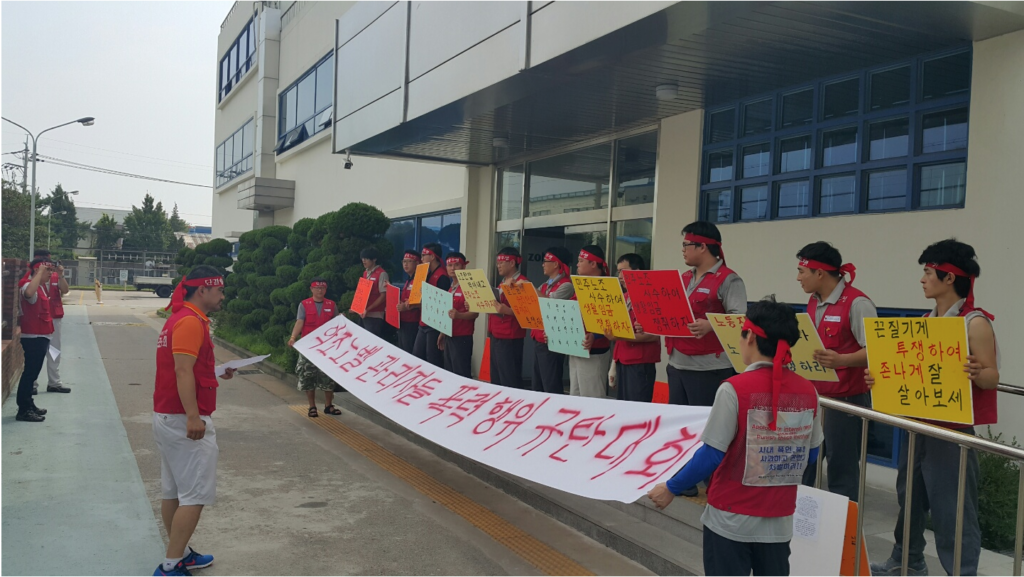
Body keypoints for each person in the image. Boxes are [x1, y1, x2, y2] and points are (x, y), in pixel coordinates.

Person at [647, 297, 822, 577]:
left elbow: (711, 454)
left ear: (750, 336)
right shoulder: (809, 391)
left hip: (730, 518)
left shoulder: (733, 389)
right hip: (779, 521)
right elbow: (811, 454)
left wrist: (671, 487)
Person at [869, 239, 999, 577]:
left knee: (953, 511)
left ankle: (962, 571)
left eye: (928, 272)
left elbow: (992, 377)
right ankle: (906, 559)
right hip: (918, 427)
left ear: (949, 278)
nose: (923, 279)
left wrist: (977, 372)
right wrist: (880, 378)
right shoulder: (927, 320)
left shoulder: (975, 323)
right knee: (909, 499)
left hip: (952, 434)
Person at [152, 265, 235, 576]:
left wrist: (216, 372)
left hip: (167, 416)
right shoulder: (189, 322)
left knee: (174, 491)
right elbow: (182, 372)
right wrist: (192, 417)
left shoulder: (180, 318)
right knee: (195, 495)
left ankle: (181, 553)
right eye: (220, 290)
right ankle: (171, 565)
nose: (223, 296)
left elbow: (188, 367)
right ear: (203, 290)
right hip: (182, 419)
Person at [794, 241, 875, 503]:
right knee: (805, 465)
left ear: (820, 273)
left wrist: (842, 359)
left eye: (802, 271)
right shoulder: (812, 301)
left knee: (842, 470)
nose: (798, 278)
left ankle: (845, 534)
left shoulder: (857, 303)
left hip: (845, 402)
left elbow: (876, 350)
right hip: (814, 398)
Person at [664, 221, 747, 407]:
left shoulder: (729, 279)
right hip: (677, 363)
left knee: (703, 426)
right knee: (679, 424)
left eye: (686, 245)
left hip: (709, 367)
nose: (683, 250)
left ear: (702, 247)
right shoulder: (684, 278)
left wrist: (711, 325)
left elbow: (740, 320)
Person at [606, 253, 661, 402]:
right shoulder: (624, 297)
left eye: (623, 271)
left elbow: (654, 334)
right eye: (618, 272)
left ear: (636, 271)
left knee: (637, 407)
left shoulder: (649, 296)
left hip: (640, 362)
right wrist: (613, 364)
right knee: (623, 407)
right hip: (623, 359)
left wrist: (618, 336)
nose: (620, 276)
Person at [288, 277, 341, 418]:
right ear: (311, 289)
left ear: (326, 290)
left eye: (322, 288)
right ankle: (312, 406)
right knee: (307, 375)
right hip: (308, 347)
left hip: (327, 347)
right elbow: (300, 322)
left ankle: (329, 405)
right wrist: (293, 337)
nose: (320, 290)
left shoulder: (331, 304)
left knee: (328, 376)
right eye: (317, 288)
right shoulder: (304, 304)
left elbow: (337, 324)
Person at [15, 257, 57, 422]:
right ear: (38, 270)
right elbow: (28, 294)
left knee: (32, 375)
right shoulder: (29, 285)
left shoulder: (41, 288)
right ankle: (23, 409)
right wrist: (39, 272)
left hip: (41, 335)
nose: (50, 274)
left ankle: (28, 404)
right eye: (48, 271)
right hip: (33, 336)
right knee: (29, 374)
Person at [569, 245, 614, 398]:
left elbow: (613, 321)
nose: (577, 264)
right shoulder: (580, 285)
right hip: (576, 348)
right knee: (575, 396)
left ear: (593, 264)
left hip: (594, 351)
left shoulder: (606, 288)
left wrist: (596, 335)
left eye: (581, 261)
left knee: (592, 398)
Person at [531, 247, 574, 394]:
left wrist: (528, 287)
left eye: (545, 261)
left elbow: (549, 304)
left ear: (556, 264)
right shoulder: (544, 285)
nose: (543, 264)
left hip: (552, 342)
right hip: (539, 339)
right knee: (538, 385)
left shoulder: (566, 285)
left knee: (551, 386)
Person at [487, 247, 527, 388]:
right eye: (497, 262)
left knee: (508, 379)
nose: (498, 265)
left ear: (512, 263)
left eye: (501, 262)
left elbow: (527, 312)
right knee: (496, 378)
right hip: (496, 334)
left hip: (510, 337)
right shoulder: (502, 282)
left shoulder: (522, 282)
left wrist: (507, 311)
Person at [32, 249, 71, 395]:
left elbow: (65, 290)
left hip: (53, 318)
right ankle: (32, 383)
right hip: (37, 318)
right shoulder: (31, 277)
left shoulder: (55, 276)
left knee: (54, 351)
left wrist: (61, 275)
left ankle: (54, 382)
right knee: (35, 352)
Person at [412, 242, 451, 367]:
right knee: (417, 355)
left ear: (433, 257)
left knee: (432, 358)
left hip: (434, 324)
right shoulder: (426, 273)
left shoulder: (442, 276)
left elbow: (444, 304)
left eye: (424, 255)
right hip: (423, 322)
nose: (421, 259)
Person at [440, 252, 477, 378]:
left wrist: (459, 315)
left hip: (462, 337)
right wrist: (442, 332)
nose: (453, 268)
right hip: (450, 335)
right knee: (450, 372)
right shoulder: (451, 287)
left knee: (461, 372)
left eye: (456, 265)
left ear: (464, 267)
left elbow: (475, 313)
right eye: (449, 265)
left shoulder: (469, 286)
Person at [353, 246, 389, 338]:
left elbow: (383, 296)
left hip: (375, 314)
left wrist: (368, 309)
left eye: (367, 259)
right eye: (363, 258)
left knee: (371, 340)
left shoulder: (381, 273)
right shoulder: (366, 273)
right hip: (363, 313)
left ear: (374, 259)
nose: (364, 261)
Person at [395, 249, 421, 353]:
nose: (405, 264)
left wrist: (407, 306)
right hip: (402, 320)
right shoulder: (408, 279)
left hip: (412, 321)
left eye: (409, 261)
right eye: (404, 261)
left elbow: (421, 302)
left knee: (408, 351)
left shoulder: (419, 280)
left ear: (417, 263)